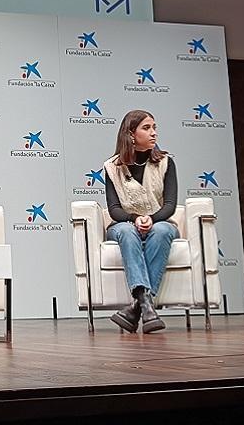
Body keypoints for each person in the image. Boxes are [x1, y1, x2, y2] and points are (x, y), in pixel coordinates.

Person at [102, 109, 179, 334]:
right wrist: (135, 218)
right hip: (125, 224)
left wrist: (152, 219)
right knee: (126, 232)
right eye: (147, 128)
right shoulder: (112, 167)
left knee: (163, 230)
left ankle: (139, 306)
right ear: (131, 134)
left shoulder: (166, 162)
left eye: (154, 127)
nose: (153, 133)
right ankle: (146, 305)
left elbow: (170, 205)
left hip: (159, 221)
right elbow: (114, 210)